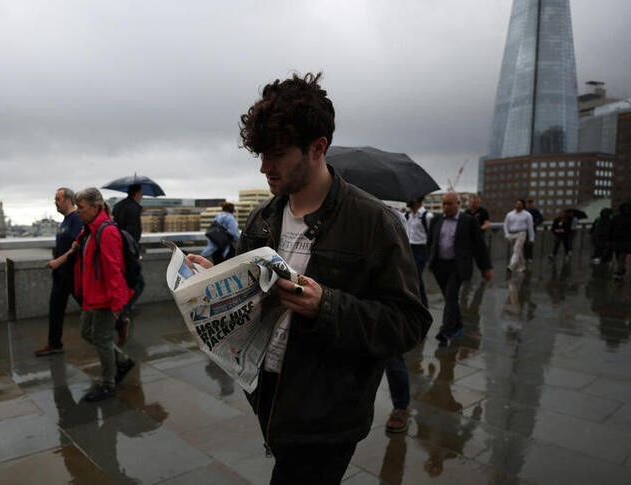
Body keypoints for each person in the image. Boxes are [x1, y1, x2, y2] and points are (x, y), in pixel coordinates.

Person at [186, 72, 432, 484]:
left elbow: (408, 323)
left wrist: (326, 306)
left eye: (277, 154)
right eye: (260, 154)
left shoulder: (374, 222)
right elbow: (254, 303)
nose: (264, 167)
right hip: (269, 394)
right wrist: (219, 284)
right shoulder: (263, 219)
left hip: (329, 412)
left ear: (318, 148)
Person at [73, 188, 136, 401]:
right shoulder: (90, 230)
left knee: (101, 338)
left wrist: (117, 304)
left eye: (80, 207)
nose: (77, 211)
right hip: (91, 296)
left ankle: (108, 383)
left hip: (105, 298)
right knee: (86, 332)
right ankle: (123, 360)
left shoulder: (106, 232)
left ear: (95, 207)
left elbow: (114, 268)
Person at [428, 192, 493, 346]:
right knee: (449, 298)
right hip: (439, 266)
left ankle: (446, 330)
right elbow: (431, 241)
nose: (446, 207)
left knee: (451, 296)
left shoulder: (468, 221)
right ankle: (458, 325)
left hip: (458, 266)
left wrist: (486, 267)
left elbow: (479, 246)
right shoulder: (436, 220)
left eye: (450, 204)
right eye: (444, 204)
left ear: (458, 203)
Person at [35, 188, 83, 356]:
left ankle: (119, 323)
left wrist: (60, 260)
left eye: (58, 198)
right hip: (60, 275)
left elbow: (79, 245)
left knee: (91, 307)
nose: (55, 202)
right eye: (55, 198)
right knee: (55, 309)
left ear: (69, 200)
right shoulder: (64, 221)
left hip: (73, 274)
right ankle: (54, 343)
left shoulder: (76, 219)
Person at [111, 183, 145, 345]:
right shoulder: (135, 208)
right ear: (137, 193)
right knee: (138, 284)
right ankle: (122, 315)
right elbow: (135, 232)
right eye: (141, 194)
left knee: (127, 285)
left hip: (118, 248)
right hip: (129, 252)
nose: (142, 196)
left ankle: (123, 312)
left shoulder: (117, 206)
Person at [404, 197, 433, 306]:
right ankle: (416, 301)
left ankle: (423, 303)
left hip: (421, 249)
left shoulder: (427, 216)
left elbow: (432, 234)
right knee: (409, 276)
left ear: (416, 200)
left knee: (416, 277)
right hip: (409, 248)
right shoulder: (408, 216)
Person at [503, 199, 535, 272]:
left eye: (520, 204)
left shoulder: (527, 215)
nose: (518, 205)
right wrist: (506, 234)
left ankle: (511, 266)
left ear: (523, 205)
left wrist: (531, 238)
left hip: (521, 233)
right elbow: (505, 224)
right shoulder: (510, 214)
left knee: (516, 250)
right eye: (517, 204)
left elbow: (530, 227)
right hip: (512, 234)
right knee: (518, 251)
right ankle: (522, 266)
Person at [611, 202, 631, 280]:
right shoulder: (616, 218)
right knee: (619, 256)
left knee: (622, 255)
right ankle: (621, 269)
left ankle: (619, 271)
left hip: (626, 240)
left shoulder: (617, 217)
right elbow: (612, 228)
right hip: (618, 240)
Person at [523, 199, 544, 264]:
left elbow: (541, 219)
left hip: (532, 230)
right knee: (524, 244)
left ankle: (530, 258)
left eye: (530, 204)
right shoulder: (524, 211)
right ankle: (525, 258)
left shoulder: (535, 211)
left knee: (530, 244)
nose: (529, 205)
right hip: (524, 230)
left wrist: (535, 223)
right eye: (528, 204)